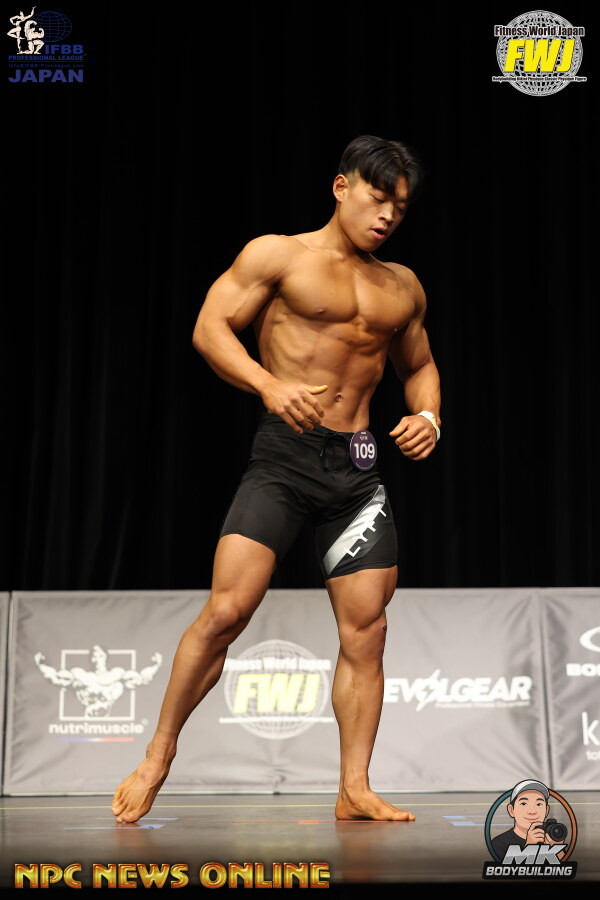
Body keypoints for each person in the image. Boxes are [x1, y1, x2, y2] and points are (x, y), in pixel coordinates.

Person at [112, 134, 441, 824]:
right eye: (378, 197)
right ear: (341, 187)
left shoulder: (402, 286)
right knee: (227, 611)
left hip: (356, 471)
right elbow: (210, 328)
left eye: (401, 207)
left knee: (367, 631)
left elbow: (418, 366)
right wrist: (267, 383)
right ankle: (157, 756)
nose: (388, 215)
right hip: (285, 460)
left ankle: (354, 787)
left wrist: (429, 417)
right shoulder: (279, 255)